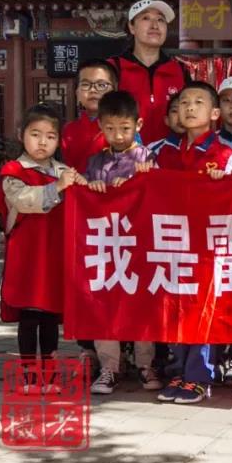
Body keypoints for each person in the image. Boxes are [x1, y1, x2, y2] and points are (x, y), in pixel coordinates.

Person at [154, 81, 232, 405]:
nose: (190, 108)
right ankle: (178, 370)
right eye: (184, 102)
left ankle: (200, 376)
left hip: (207, 246)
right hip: (173, 241)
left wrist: (225, 182)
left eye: (198, 102)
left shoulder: (224, 154)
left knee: (203, 309)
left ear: (215, 113)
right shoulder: (165, 152)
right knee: (175, 308)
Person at [0, 104, 86, 392]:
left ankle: (50, 372)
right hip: (27, 255)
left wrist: (86, 186)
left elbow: (86, 200)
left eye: (50, 136)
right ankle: (29, 374)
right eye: (35, 134)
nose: (42, 142)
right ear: (22, 135)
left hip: (55, 254)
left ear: (59, 141)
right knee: (29, 315)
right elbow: (22, 201)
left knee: (49, 316)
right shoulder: (14, 171)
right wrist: (57, 187)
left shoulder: (65, 172)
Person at [83, 91, 159, 395]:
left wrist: (139, 181)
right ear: (100, 126)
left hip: (140, 244)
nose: (117, 135)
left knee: (142, 304)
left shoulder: (147, 158)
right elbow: (84, 195)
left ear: (138, 125)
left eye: (125, 128)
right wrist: (92, 186)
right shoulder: (95, 162)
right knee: (104, 305)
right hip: (106, 245)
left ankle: (145, 364)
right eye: (110, 128)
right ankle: (109, 367)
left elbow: (160, 192)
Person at [108, 0, 189, 146]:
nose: (155, 25)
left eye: (160, 20)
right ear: (131, 27)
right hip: (126, 155)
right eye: (146, 18)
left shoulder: (180, 70)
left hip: (171, 155)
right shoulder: (113, 68)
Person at [61, 59, 117, 173]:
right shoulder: (68, 131)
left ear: (114, 90)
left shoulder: (124, 128)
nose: (93, 90)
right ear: (77, 92)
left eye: (101, 85)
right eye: (85, 85)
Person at [146, 93, 183, 159]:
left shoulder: (202, 149)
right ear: (167, 120)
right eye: (175, 111)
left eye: (185, 110)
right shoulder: (152, 150)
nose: (180, 116)